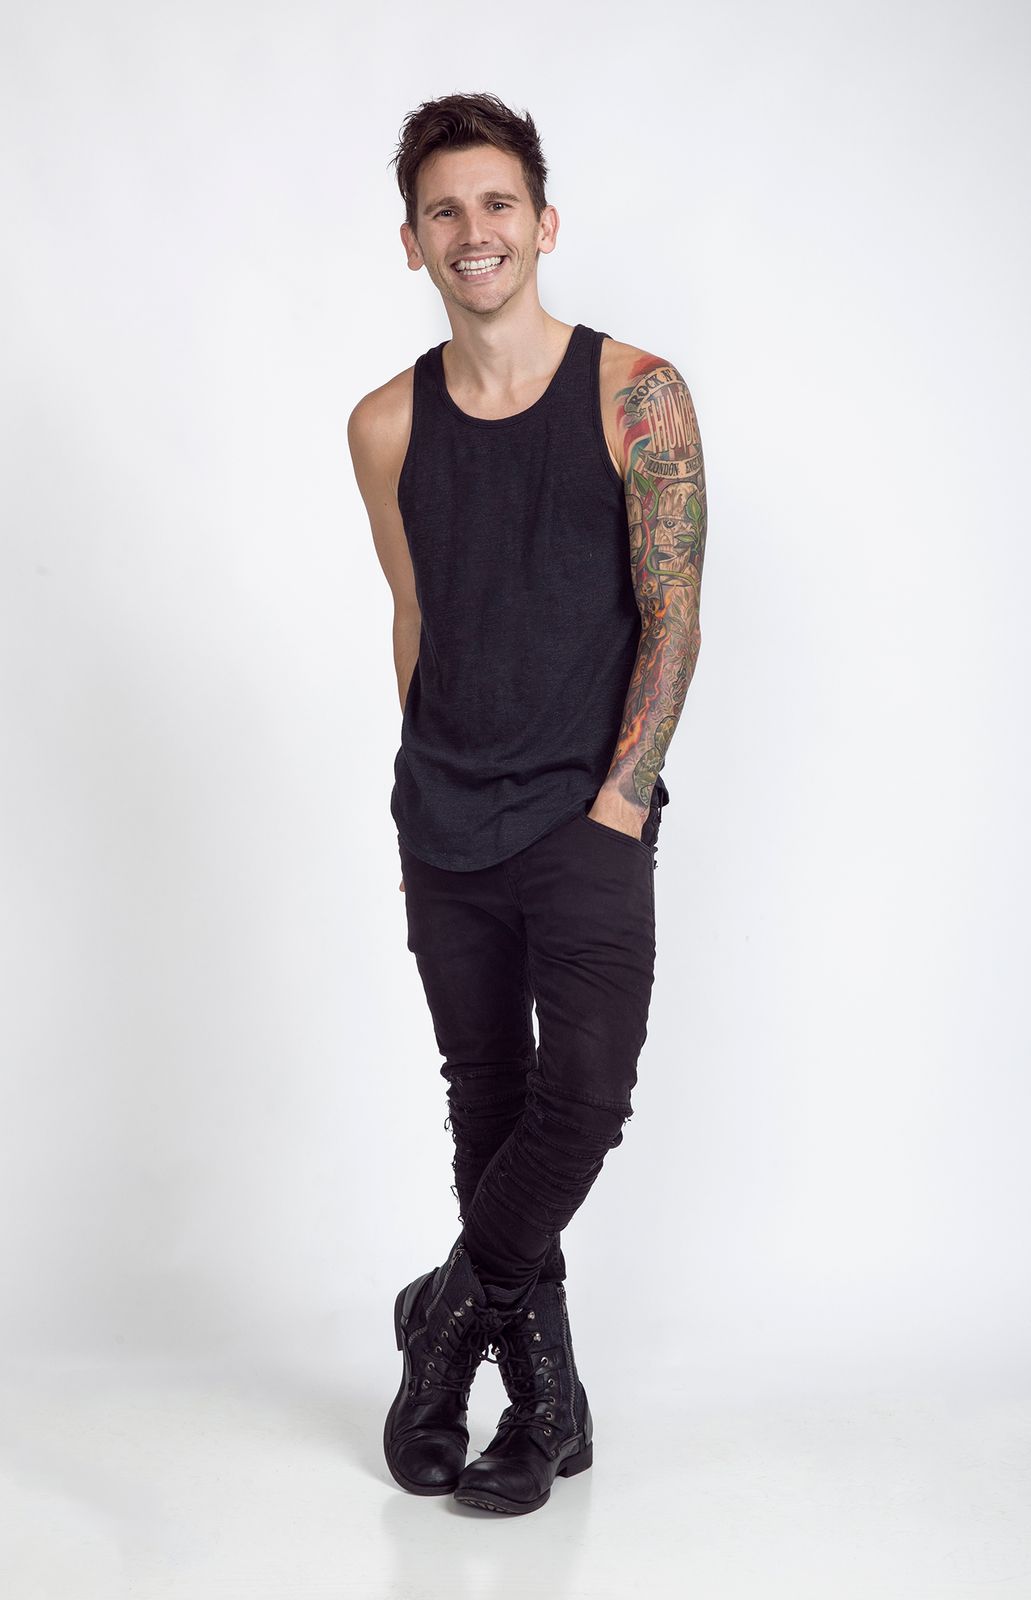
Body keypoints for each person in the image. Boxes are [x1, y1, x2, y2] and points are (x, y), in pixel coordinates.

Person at [347, 91, 706, 1516]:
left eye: (497, 203)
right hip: (443, 815)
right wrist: (418, 794)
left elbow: (673, 618)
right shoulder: (385, 424)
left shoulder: (637, 393)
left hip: (586, 811)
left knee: (586, 1099)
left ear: (543, 223)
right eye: (444, 210)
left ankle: (443, 1324)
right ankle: (548, 1405)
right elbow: (416, 616)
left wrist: (621, 803)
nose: (473, 230)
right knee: (488, 1102)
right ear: (412, 241)